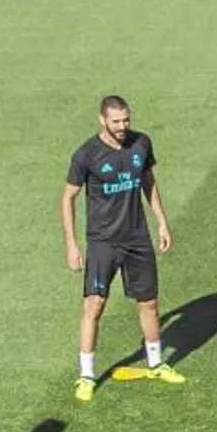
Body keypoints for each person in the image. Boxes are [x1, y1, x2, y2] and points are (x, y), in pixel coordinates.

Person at [61, 95, 181, 401]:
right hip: (103, 242)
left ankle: (156, 363)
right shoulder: (87, 154)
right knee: (94, 305)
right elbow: (68, 198)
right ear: (102, 120)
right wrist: (72, 244)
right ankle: (86, 375)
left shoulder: (141, 144)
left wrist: (162, 223)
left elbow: (149, 183)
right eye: (116, 121)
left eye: (126, 120)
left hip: (137, 239)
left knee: (149, 303)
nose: (123, 126)